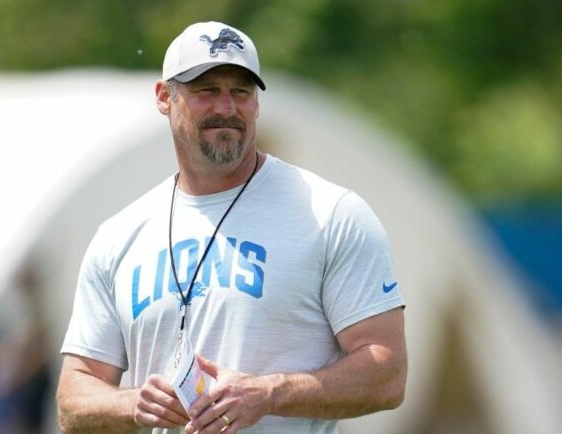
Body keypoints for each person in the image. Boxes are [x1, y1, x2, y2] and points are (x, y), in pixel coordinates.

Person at [56, 20, 407, 434]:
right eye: (207, 90)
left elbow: (388, 375)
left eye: (240, 91)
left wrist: (269, 393)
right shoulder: (119, 237)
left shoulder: (331, 214)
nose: (226, 108)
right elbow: (72, 400)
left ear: (256, 104)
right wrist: (134, 403)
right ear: (164, 97)